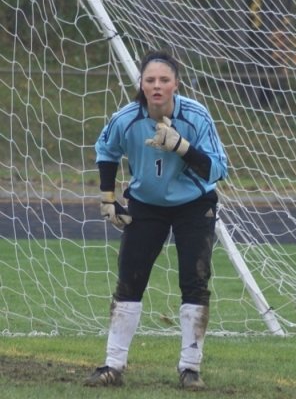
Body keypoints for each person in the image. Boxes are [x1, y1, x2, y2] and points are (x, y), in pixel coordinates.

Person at [84, 49, 228, 390]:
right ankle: (113, 365)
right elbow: (105, 151)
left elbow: (218, 169)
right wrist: (108, 198)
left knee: (194, 280)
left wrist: (182, 146)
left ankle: (190, 368)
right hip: (146, 204)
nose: (157, 85)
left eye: (164, 79)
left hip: (194, 205)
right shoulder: (126, 118)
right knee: (129, 280)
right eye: (150, 80)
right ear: (142, 85)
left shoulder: (196, 116)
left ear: (176, 83)